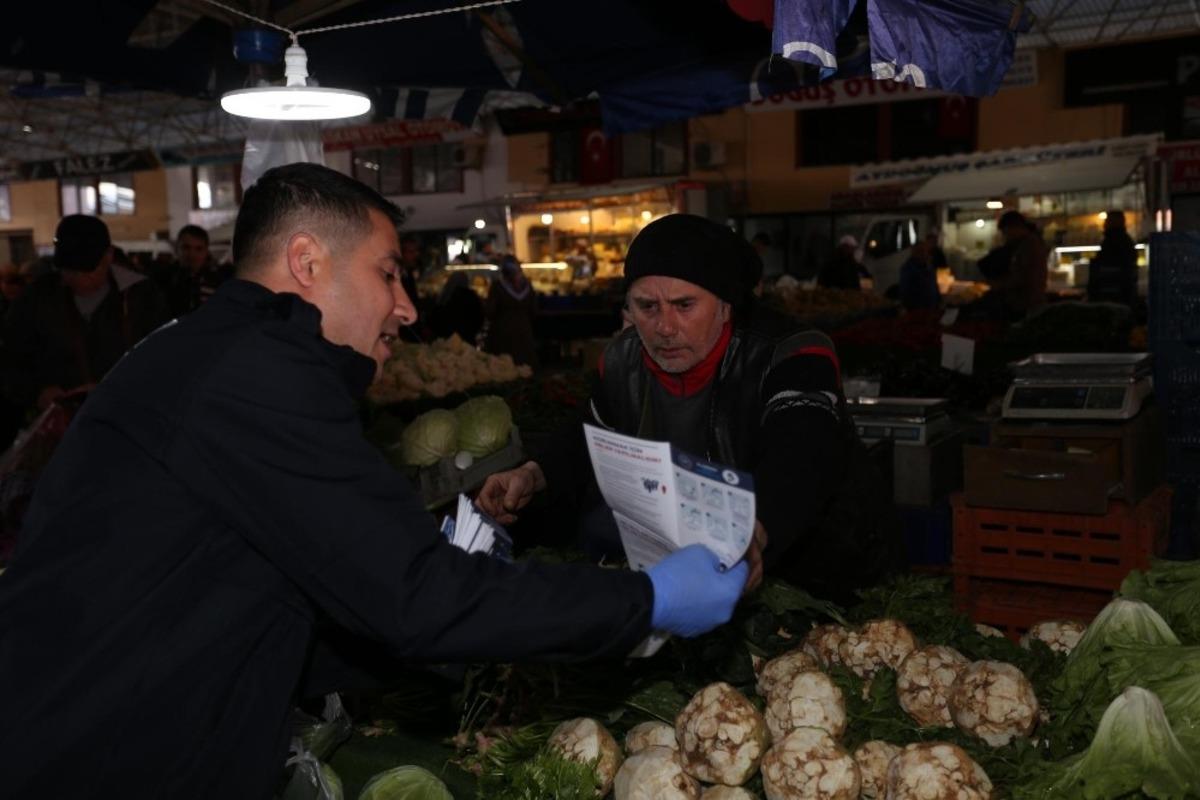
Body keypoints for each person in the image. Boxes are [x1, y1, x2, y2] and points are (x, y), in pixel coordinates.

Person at [0, 164, 751, 797]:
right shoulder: (255, 375)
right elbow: (413, 601)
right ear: (307, 262)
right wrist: (646, 600)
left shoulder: (222, 356)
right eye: (388, 273)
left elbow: (285, 594)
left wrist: (450, 606)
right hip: (96, 755)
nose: (406, 305)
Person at [478, 214, 902, 604]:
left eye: (684, 306)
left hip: (822, 571)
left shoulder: (793, 354)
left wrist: (755, 532)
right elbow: (589, 431)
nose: (664, 327)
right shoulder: (624, 360)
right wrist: (532, 475)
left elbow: (805, 453)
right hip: (707, 568)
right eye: (647, 307)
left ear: (725, 306)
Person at [1, 215, 170, 415]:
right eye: (70, 271)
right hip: (60, 425)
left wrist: (116, 390)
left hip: (128, 417)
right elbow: (10, 361)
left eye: (88, 270)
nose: (79, 279)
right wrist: (38, 393)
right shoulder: (36, 298)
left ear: (108, 255)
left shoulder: (142, 297)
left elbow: (164, 361)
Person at [153, 224, 234, 317]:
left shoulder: (220, 281)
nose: (192, 254)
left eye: (198, 249)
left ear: (206, 251)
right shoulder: (162, 280)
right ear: (177, 249)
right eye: (186, 247)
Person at [484, 254, 539, 367]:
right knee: (524, 367)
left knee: (504, 368)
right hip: (524, 331)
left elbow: (490, 311)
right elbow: (533, 309)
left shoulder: (497, 286)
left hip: (502, 332)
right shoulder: (527, 285)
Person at [991, 211, 1048, 316]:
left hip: (1027, 303)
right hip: (1029, 301)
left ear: (1015, 227)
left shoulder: (1029, 246)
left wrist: (998, 285)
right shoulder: (1030, 242)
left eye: (1006, 232)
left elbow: (1023, 276)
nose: (1006, 236)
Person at [1088, 210, 1138, 307]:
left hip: (1111, 295)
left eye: (1107, 220)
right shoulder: (1125, 241)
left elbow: (1106, 266)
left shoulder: (1112, 241)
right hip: (1121, 295)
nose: (1104, 223)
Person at [430, 271, 485, 344]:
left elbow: (436, 317)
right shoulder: (472, 297)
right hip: (467, 340)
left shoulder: (446, 295)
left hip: (446, 339)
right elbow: (479, 318)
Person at [899, 239, 941, 311]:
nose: (926, 254)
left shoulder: (928, 266)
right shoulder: (908, 269)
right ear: (915, 252)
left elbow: (934, 285)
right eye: (922, 251)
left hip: (930, 309)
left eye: (926, 251)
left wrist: (938, 300)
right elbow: (905, 292)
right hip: (917, 311)